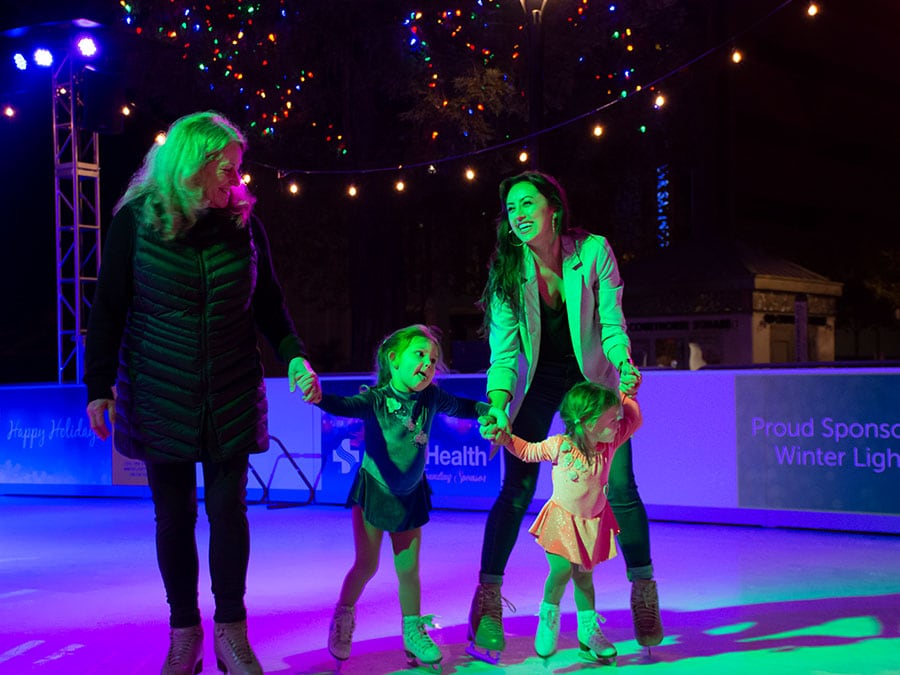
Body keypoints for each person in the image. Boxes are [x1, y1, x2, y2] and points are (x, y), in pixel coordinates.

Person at [84, 111, 321, 675]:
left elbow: (271, 306)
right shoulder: (136, 223)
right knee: (174, 516)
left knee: (228, 510)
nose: (236, 182)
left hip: (232, 386)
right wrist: (98, 387)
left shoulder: (245, 225)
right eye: (227, 170)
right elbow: (109, 310)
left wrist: (294, 353)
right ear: (192, 166)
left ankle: (231, 634)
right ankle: (184, 631)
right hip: (157, 386)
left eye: (238, 171)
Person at [467, 170, 662, 663]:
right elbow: (506, 353)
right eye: (511, 209)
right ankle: (488, 602)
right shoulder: (509, 269)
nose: (518, 215)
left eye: (527, 203)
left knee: (620, 487)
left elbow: (612, 323)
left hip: (593, 380)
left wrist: (622, 364)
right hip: (541, 379)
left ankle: (643, 591)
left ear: (554, 207)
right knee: (515, 488)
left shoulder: (593, 251)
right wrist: (497, 403)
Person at [314, 324, 507, 668]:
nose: (428, 364)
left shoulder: (431, 397)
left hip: (410, 494)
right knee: (367, 565)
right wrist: (318, 397)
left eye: (433, 360)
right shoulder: (374, 400)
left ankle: (412, 633)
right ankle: (343, 618)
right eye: (419, 355)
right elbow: (344, 405)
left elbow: (462, 407)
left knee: (409, 570)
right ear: (393, 360)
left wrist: (488, 410)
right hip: (374, 490)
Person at [484, 382, 643, 663]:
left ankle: (588, 630)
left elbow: (634, 419)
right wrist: (505, 438)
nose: (618, 423)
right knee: (560, 570)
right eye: (611, 419)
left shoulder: (610, 442)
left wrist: (628, 394)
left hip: (591, 522)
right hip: (562, 521)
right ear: (590, 423)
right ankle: (548, 616)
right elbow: (528, 451)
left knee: (584, 578)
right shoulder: (561, 446)